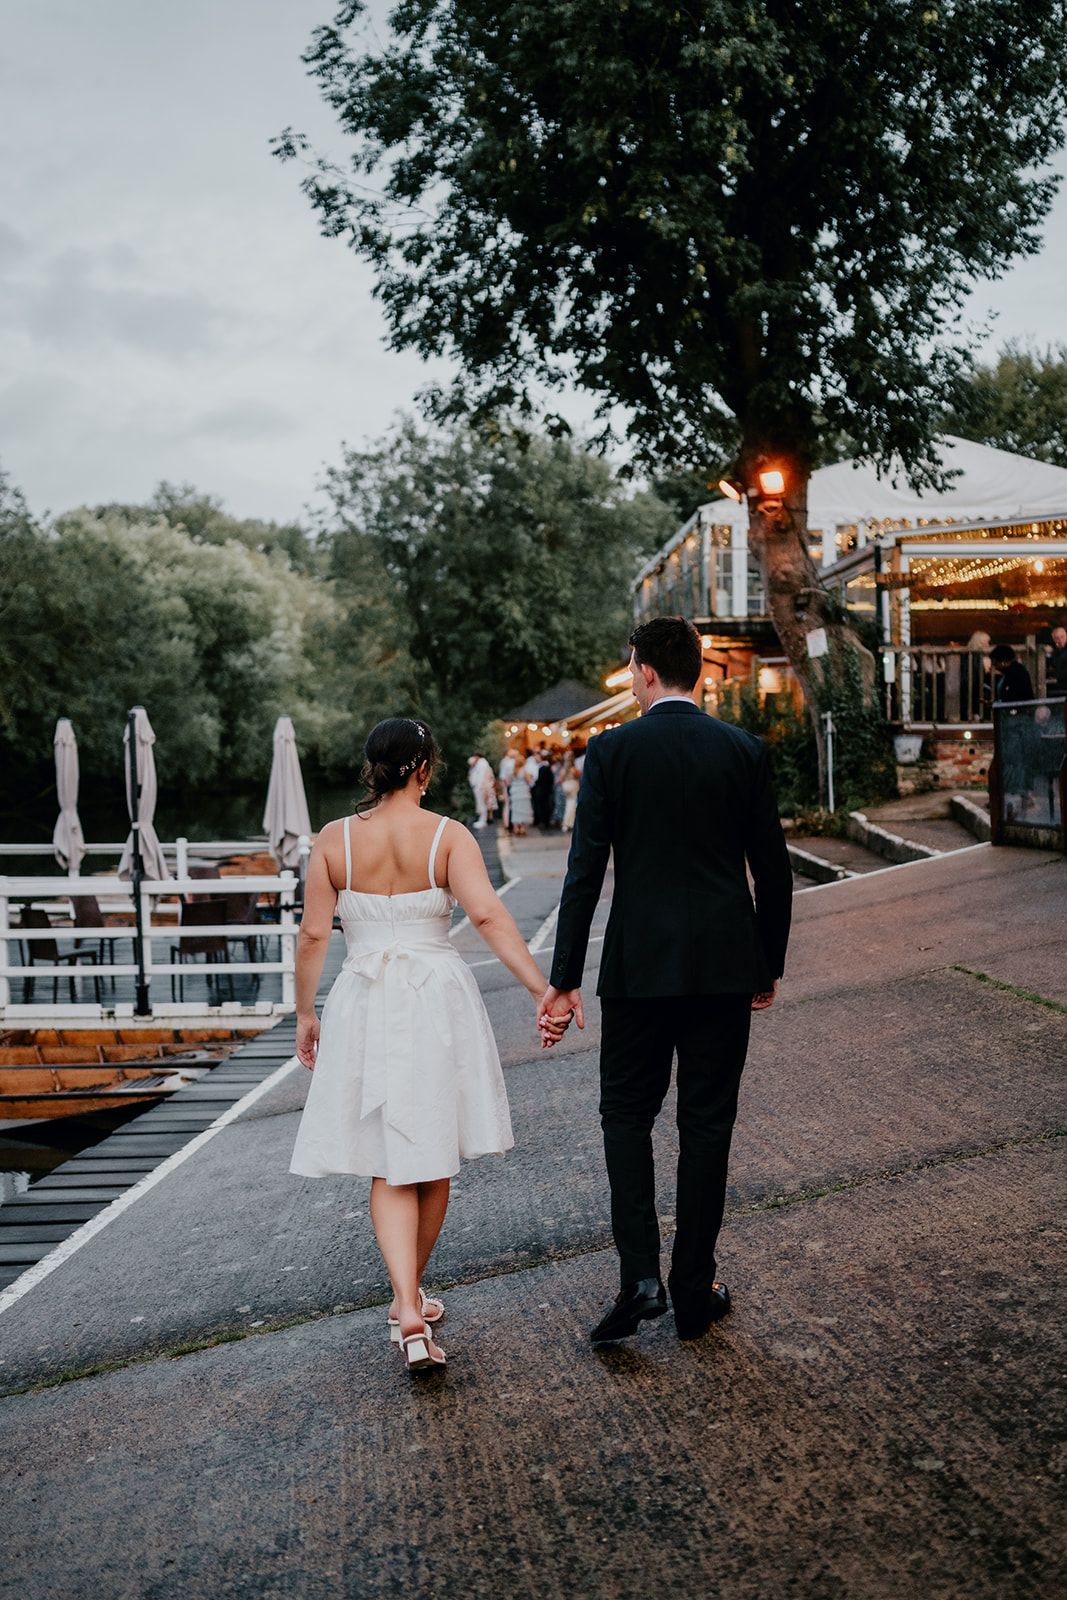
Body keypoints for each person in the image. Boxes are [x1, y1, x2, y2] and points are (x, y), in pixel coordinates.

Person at [539, 617, 793, 1346]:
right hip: (722, 965)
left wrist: (564, 980)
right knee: (706, 1123)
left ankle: (639, 1280)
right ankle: (691, 1288)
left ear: (644, 672)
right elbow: (771, 868)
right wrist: (766, 962)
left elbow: (583, 873)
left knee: (625, 1116)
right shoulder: (741, 750)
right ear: (699, 674)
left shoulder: (612, 751)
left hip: (638, 970)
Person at [290, 718, 564, 1374]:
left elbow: (311, 936)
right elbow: (491, 918)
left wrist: (304, 1012)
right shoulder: (447, 835)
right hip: (433, 998)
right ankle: (407, 1300)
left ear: (371, 768)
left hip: (361, 998)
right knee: (433, 1154)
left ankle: (406, 1307)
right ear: (423, 769)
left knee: (389, 1163)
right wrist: (540, 990)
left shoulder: (333, 840)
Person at [467, 752, 496, 830]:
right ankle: (483, 819)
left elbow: (481, 776)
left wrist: (479, 787)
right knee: (481, 804)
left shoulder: (482, 764)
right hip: (479, 787)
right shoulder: (480, 764)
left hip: (480, 788)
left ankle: (483, 820)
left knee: (482, 804)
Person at [509, 749, 534, 836]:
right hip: (523, 792)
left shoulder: (513, 771)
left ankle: (516, 828)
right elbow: (529, 781)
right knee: (523, 810)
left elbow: (508, 782)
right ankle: (522, 828)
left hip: (515, 792)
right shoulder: (524, 771)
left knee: (515, 810)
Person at [498, 747, 517, 831]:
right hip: (508, 786)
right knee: (508, 804)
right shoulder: (506, 762)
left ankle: (508, 823)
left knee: (508, 805)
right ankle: (507, 823)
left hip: (510, 786)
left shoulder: (508, 761)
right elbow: (503, 777)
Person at [560, 754, 580, 833]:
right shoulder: (574, 769)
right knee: (572, 805)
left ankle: (567, 823)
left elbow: (561, 779)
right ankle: (568, 823)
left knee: (569, 804)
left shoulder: (563, 770)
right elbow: (578, 776)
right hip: (573, 785)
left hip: (566, 786)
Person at [1045, 624, 1067, 698]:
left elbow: (1058, 667)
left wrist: (1056, 675)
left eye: (1062, 637)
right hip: (1059, 686)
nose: (1060, 640)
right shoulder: (1054, 651)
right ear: (1053, 639)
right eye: (1057, 638)